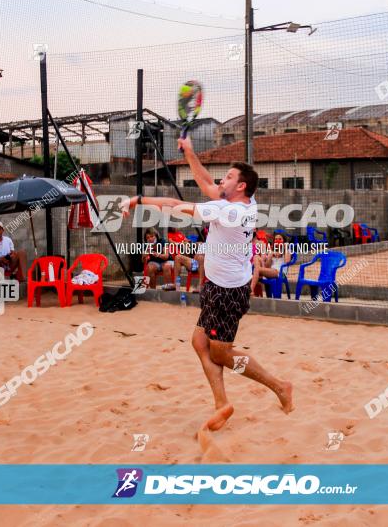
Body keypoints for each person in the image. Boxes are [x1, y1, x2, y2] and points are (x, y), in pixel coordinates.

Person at [119, 137, 293, 432]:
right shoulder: (238, 201)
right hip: (217, 286)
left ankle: (278, 386)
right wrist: (189, 152)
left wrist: (136, 201)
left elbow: (175, 205)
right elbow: (203, 180)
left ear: (240, 186)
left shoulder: (230, 211)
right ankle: (222, 404)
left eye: (228, 176)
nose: (220, 180)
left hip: (228, 292)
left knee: (221, 353)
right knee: (200, 343)